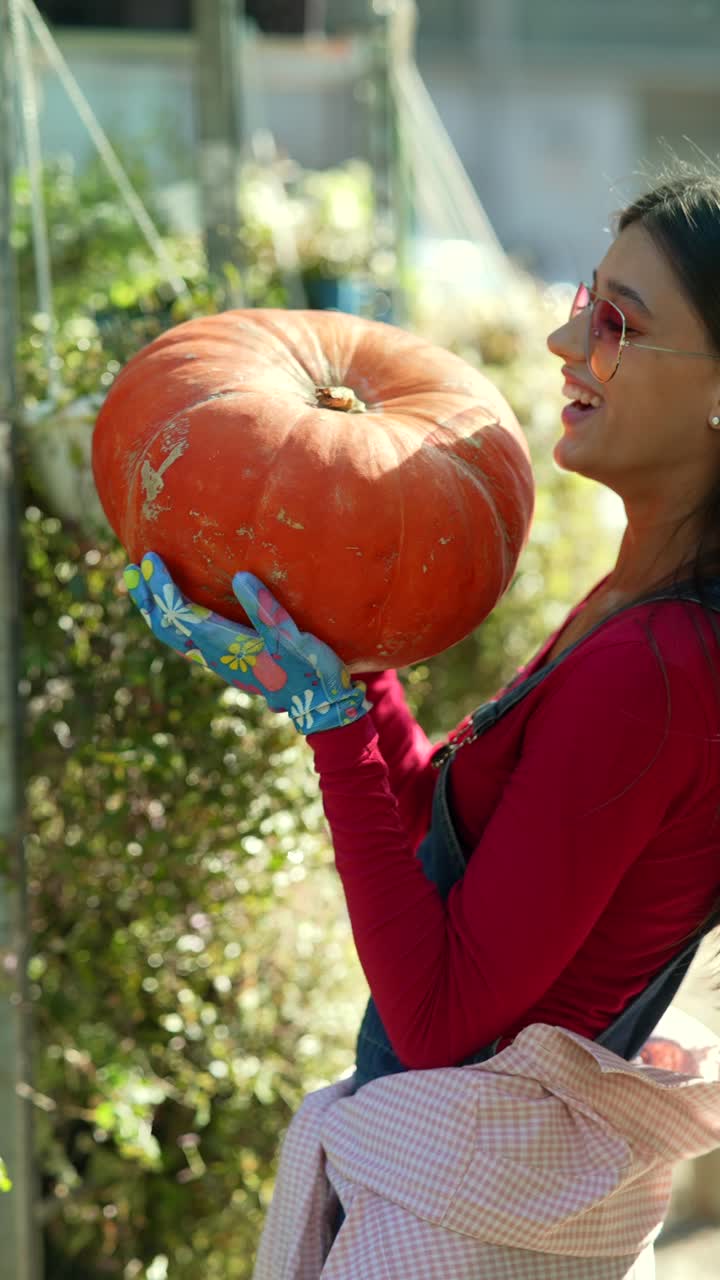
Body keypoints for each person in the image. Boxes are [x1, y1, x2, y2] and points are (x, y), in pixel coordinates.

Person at [125, 172, 720, 1277]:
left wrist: (329, 718)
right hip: (457, 1200)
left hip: (454, 1229)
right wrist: (345, 676)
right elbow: (446, 862)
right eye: (583, 298)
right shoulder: (639, 611)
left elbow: (444, 1010)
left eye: (617, 323)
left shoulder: (659, 669)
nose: (564, 336)